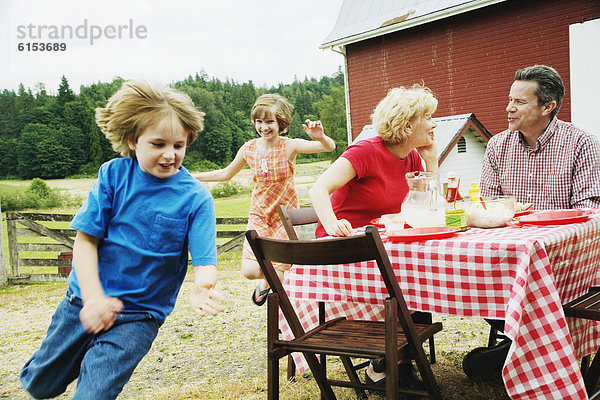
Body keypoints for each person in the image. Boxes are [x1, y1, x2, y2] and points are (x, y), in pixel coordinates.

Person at [20, 80, 226, 400]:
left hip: (139, 317)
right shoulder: (113, 176)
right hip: (83, 303)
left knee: (94, 393)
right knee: (39, 385)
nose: (170, 155)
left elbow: (204, 260)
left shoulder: (196, 198)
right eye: (158, 144)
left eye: (179, 145)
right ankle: (69, 359)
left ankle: (96, 363)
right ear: (133, 140)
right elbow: (86, 241)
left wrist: (203, 287)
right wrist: (93, 298)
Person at [463, 64, 600, 381]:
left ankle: (522, 359)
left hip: (567, 261)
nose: (509, 108)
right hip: (511, 260)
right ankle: (523, 356)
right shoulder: (498, 145)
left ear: (547, 106)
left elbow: (589, 215)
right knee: (475, 282)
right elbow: (488, 207)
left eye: (520, 102)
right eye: (510, 99)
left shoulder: (582, 144)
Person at [309, 84, 439, 389]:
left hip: (382, 245)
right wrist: (331, 224)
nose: (434, 123)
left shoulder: (411, 157)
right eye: (428, 118)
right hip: (343, 249)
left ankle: (397, 361)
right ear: (408, 126)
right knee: (408, 278)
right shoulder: (366, 150)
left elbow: (430, 207)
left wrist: (431, 162)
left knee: (420, 274)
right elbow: (318, 188)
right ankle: (387, 365)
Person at [194, 93, 335, 306]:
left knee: (279, 272)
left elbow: (328, 147)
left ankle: (283, 310)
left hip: (283, 217)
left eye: (269, 121)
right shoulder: (248, 148)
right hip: (259, 216)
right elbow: (225, 174)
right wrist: (193, 177)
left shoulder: (289, 146)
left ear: (281, 123)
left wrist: (320, 136)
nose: (264, 126)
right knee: (250, 271)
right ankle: (268, 281)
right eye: (259, 121)